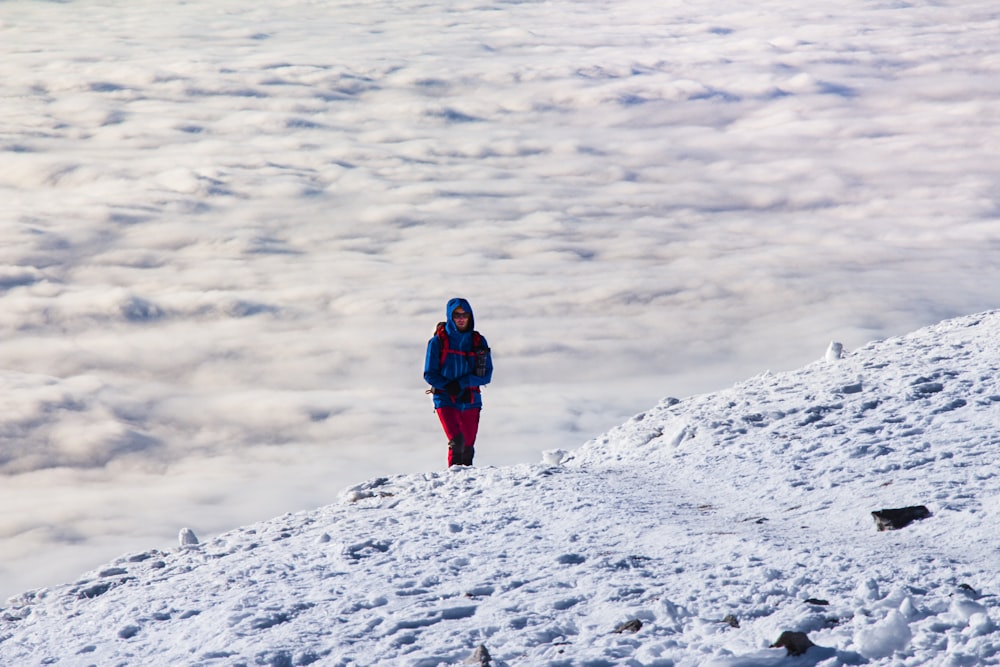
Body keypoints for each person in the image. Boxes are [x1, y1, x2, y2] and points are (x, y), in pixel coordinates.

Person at [424, 298, 493, 467]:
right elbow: (429, 374)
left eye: (465, 315)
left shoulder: (478, 341)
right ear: (450, 316)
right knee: (457, 443)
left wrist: (462, 384)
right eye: (457, 315)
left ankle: (465, 487)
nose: (461, 318)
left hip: (471, 399)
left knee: (468, 447)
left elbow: (486, 375)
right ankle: (453, 482)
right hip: (445, 398)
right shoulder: (437, 342)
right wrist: (449, 386)